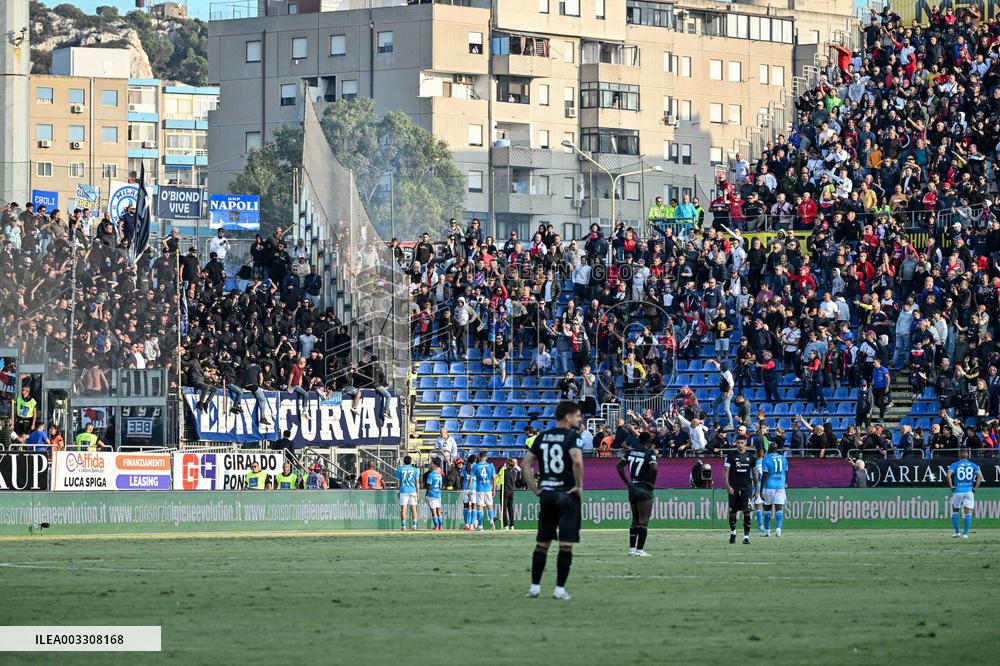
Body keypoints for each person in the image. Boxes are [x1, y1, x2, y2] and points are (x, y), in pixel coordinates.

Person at [522, 400, 584, 601]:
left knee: (542, 543)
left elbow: (525, 463)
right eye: (577, 415)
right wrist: (579, 485)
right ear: (568, 417)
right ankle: (559, 590)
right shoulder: (572, 436)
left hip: (547, 494)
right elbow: (577, 460)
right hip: (567, 494)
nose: (579, 419)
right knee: (566, 545)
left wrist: (535, 489)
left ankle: (534, 587)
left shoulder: (542, 436)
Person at [616, 432, 657, 557]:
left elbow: (619, 466)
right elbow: (654, 468)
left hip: (633, 487)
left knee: (635, 521)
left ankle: (632, 549)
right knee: (643, 522)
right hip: (644, 488)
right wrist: (652, 483)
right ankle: (640, 550)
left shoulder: (631, 452)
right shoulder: (649, 453)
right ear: (648, 441)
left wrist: (627, 483)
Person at [724, 436, 757, 545]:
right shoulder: (730, 456)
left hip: (746, 488)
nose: (740, 445)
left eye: (742, 442)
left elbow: (754, 474)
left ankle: (746, 536)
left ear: (745, 443)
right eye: (738, 443)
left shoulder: (751, 457)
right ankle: (733, 532)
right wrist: (728, 486)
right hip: (733, 488)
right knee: (733, 513)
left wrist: (756, 490)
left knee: (747, 512)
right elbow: (726, 473)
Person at [946, 448, 983, 539]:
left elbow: (948, 475)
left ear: (959, 454)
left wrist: (951, 486)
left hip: (958, 491)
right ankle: (965, 534)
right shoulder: (973, 465)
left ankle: (957, 533)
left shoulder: (955, 464)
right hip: (969, 491)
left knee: (955, 511)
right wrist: (975, 488)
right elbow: (980, 476)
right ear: (967, 454)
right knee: (968, 513)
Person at [760, 443, 789, 538]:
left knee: (767, 508)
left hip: (769, 486)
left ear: (769, 449)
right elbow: (786, 472)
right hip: (780, 486)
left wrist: (761, 489)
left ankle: (767, 531)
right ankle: (778, 529)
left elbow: (764, 474)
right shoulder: (783, 458)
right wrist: (785, 483)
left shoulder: (766, 458)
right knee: (779, 509)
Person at [474, 451, 497, 531]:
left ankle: (480, 526)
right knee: (489, 506)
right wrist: (494, 489)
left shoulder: (476, 466)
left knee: (480, 507)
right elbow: (494, 478)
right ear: (486, 458)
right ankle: (491, 520)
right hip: (488, 489)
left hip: (479, 489)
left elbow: (472, 477)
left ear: (479, 458)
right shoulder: (491, 466)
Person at [396, 455, 419, 531]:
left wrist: (398, 491)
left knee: (403, 509)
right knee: (414, 509)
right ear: (411, 462)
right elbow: (417, 482)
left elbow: (398, 482)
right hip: (412, 491)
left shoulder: (399, 469)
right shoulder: (415, 470)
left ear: (403, 462)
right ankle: (414, 526)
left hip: (403, 491)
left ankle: (404, 526)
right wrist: (418, 492)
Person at [499, 458, 521, 531]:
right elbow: (517, 481)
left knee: (504, 508)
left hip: (505, 491)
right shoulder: (515, 471)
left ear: (507, 463)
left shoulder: (504, 471)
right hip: (511, 491)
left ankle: (506, 525)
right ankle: (512, 525)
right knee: (510, 508)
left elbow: (498, 481)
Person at [423, 458, 445, 531]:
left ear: (434, 465)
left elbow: (429, 485)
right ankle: (441, 526)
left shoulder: (430, 474)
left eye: (431, 463)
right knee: (439, 511)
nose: (430, 464)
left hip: (431, 495)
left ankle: (436, 526)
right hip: (438, 495)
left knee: (434, 511)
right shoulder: (439, 475)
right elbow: (441, 486)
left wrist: (426, 494)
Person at [462, 457, 478, 530]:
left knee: (466, 506)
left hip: (465, 489)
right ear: (475, 460)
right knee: (474, 506)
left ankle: (466, 524)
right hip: (473, 488)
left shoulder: (464, 467)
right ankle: (471, 525)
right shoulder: (476, 466)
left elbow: (461, 477)